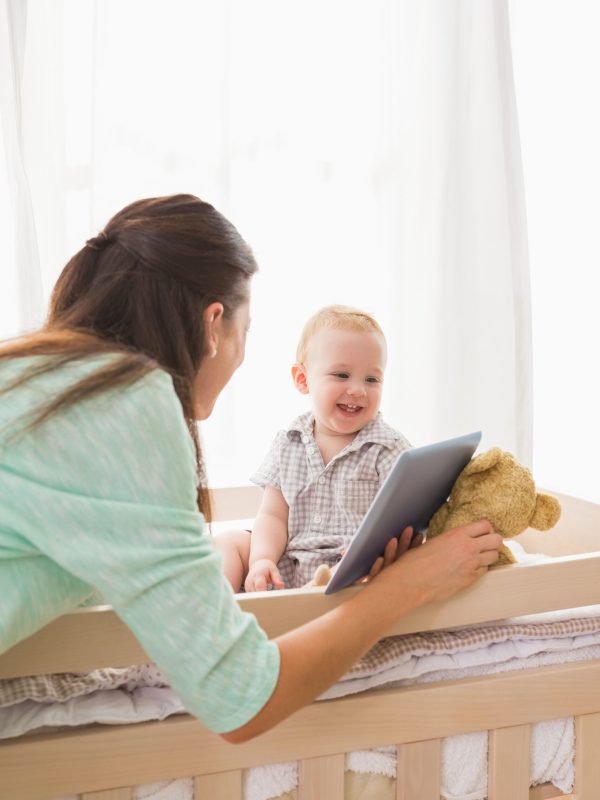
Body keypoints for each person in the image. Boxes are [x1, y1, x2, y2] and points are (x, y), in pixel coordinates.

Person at [0, 193, 502, 744]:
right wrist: (406, 587)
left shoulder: (36, 374)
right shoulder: (128, 403)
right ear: (214, 324)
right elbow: (239, 696)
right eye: (247, 331)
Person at [217, 304, 416, 592]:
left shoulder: (388, 448)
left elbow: (405, 520)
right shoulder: (289, 441)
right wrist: (262, 559)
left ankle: (318, 600)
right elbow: (273, 515)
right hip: (288, 564)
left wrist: (369, 552)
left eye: (372, 379)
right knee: (228, 542)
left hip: (350, 566)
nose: (358, 390)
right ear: (302, 380)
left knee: (377, 568)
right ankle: (220, 615)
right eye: (341, 375)